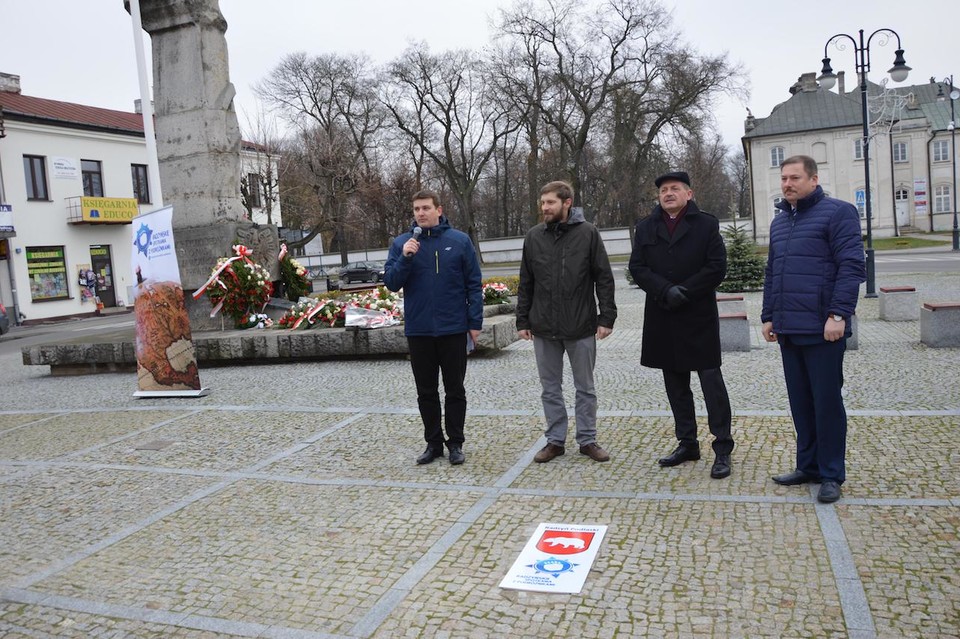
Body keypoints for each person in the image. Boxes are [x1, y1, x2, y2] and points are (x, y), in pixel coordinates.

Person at [763, 155, 865, 504]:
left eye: (794, 178)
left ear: (814, 179)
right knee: (801, 403)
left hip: (823, 329)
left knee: (826, 403)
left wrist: (839, 314)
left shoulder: (838, 212)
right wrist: (768, 315)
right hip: (789, 328)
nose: (787, 184)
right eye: (783, 179)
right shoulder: (780, 222)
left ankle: (831, 473)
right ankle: (807, 465)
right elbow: (772, 272)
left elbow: (851, 265)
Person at [628, 171, 734, 479]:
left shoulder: (707, 224)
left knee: (711, 383)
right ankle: (687, 443)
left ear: (689, 194)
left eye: (675, 188)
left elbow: (717, 266)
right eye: (663, 189)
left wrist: (685, 291)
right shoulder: (646, 226)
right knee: (675, 385)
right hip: (663, 315)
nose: (668, 193)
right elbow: (638, 267)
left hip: (696, 313)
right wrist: (664, 290)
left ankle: (723, 447)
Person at [516, 180, 617, 463]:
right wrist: (522, 319)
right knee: (550, 389)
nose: (544, 207)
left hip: (581, 325)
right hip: (544, 327)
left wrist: (606, 316)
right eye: (543, 202)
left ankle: (587, 440)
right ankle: (555, 441)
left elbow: (604, 277)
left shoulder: (588, 233)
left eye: (550, 202)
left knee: (585, 387)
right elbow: (527, 282)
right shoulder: (534, 236)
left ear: (567, 203)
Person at [384, 189, 483, 466]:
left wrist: (474, 322)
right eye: (416, 209)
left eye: (426, 208)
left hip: (453, 328)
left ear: (439, 210)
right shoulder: (402, 243)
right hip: (420, 330)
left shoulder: (460, 241)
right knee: (426, 391)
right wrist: (405, 257)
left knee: (455, 390)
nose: (421, 213)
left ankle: (456, 443)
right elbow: (391, 282)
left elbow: (473, 284)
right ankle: (433, 443)